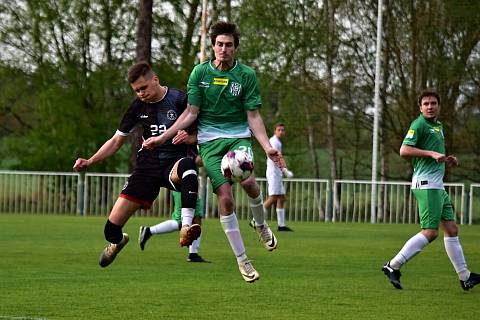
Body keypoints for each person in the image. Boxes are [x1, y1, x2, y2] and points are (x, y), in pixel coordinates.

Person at [143, 21, 285, 283]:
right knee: (226, 199)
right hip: (209, 143)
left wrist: (267, 147)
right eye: (219, 44)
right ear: (213, 46)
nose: (223, 49)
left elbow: (253, 116)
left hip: (238, 138)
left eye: (229, 45)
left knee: (250, 182)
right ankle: (243, 260)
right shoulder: (199, 73)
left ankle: (261, 225)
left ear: (235, 48)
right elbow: (191, 113)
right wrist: (164, 137)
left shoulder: (246, 75)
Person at [73, 61, 201, 268]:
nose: (141, 93)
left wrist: (190, 136)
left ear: (155, 80)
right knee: (110, 231)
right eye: (136, 90)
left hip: (173, 164)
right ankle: (119, 241)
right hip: (146, 169)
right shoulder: (136, 107)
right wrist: (90, 160)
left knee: (188, 167)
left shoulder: (179, 100)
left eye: (144, 88)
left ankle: (186, 226)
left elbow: (201, 134)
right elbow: (116, 141)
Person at [382, 90, 480, 291]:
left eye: (433, 103)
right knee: (431, 232)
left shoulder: (437, 126)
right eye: (425, 103)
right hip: (426, 184)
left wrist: (447, 159)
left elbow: (434, 154)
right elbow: (404, 150)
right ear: (420, 107)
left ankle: (465, 276)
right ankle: (393, 265)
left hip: (437, 185)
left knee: (451, 229)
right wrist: (431, 153)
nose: (429, 106)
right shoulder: (419, 124)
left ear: (438, 106)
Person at [139, 130, 207, 262]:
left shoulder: (186, 141)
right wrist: (211, 157)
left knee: (185, 220)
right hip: (182, 181)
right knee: (193, 216)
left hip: (185, 180)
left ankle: (149, 231)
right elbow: (197, 161)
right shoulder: (183, 143)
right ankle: (193, 254)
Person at [139, 190, 207, 262]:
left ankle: (193, 254)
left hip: (186, 188)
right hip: (184, 188)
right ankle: (193, 254)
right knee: (187, 220)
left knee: (192, 219)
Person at [263, 123, 294, 231]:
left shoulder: (278, 142)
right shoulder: (274, 141)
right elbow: (275, 157)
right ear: (275, 131)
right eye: (279, 130)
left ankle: (281, 225)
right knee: (273, 197)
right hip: (273, 173)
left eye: (283, 130)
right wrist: (285, 170)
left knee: (281, 197)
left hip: (277, 173)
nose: (281, 132)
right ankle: (256, 218)